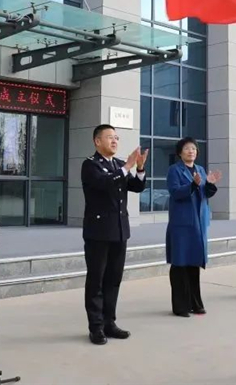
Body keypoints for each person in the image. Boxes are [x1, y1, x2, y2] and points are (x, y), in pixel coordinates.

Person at [81, 124, 148, 345]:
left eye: (117, 138)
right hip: (99, 232)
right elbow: (104, 184)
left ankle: (109, 323)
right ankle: (96, 327)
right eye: (110, 137)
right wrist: (127, 166)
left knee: (113, 280)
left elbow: (136, 187)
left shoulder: (119, 164)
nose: (114, 141)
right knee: (96, 281)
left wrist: (139, 168)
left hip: (119, 231)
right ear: (97, 141)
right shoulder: (90, 165)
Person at [165, 137, 222, 317]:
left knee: (194, 262)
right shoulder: (174, 170)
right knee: (180, 263)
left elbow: (204, 194)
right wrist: (192, 185)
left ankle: (195, 303)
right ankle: (180, 306)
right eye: (187, 148)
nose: (191, 151)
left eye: (194, 149)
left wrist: (210, 183)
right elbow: (175, 192)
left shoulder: (200, 169)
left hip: (198, 222)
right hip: (182, 223)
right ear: (180, 152)